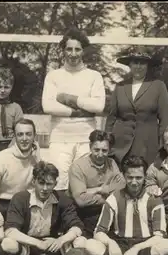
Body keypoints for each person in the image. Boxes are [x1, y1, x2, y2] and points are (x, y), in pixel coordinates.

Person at [85, 155, 168, 255]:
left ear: (144, 177)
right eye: (130, 177)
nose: (134, 182)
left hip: (144, 245)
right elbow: (98, 232)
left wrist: (136, 248)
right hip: (120, 244)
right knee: (89, 244)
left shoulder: (154, 199)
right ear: (123, 176)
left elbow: (159, 235)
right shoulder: (114, 198)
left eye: (138, 178)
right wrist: (111, 244)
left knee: (167, 246)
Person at [42, 27, 106, 193]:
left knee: (83, 185)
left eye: (77, 49)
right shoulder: (53, 76)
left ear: (83, 51)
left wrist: (69, 99)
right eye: (69, 49)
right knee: (58, 184)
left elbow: (98, 106)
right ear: (63, 50)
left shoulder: (94, 76)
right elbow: (47, 106)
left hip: (86, 139)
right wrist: (78, 111)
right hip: (59, 138)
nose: (73, 53)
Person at [1, 161, 85, 255]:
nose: (45, 188)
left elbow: (77, 226)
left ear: (55, 183)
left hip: (52, 245)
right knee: (8, 244)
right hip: (29, 243)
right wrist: (37, 243)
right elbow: (10, 231)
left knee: (81, 242)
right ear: (33, 181)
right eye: (41, 183)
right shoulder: (20, 198)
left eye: (49, 184)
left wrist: (61, 240)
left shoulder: (62, 199)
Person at [105, 47, 168, 166]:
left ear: (148, 65)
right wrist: (107, 142)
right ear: (130, 64)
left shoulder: (158, 86)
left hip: (147, 144)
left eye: (142, 63)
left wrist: (163, 146)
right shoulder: (120, 87)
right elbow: (111, 117)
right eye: (135, 62)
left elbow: (165, 120)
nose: (138, 66)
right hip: (120, 144)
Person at [68, 130, 126, 242]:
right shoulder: (78, 166)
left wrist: (97, 190)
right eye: (96, 150)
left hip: (108, 212)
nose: (100, 154)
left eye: (104, 150)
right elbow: (81, 200)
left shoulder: (112, 163)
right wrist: (103, 190)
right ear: (90, 147)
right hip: (84, 215)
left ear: (110, 150)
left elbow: (122, 187)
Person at [0, 118, 40, 220]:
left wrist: (38, 161)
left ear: (34, 137)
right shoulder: (1, 159)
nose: (24, 138)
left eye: (28, 134)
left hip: (26, 207)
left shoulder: (37, 159)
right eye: (20, 134)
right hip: (3, 206)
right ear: (14, 137)